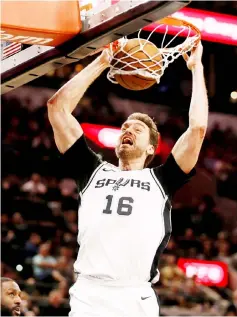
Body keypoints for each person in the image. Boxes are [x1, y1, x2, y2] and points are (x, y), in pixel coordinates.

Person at [47, 42, 208, 316]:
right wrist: (102, 61)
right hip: (89, 293)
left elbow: (198, 129)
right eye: (124, 127)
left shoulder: (162, 179)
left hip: (134, 296)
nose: (127, 129)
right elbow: (57, 108)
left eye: (137, 128)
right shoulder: (92, 171)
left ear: (150, 148)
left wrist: (196, 68)